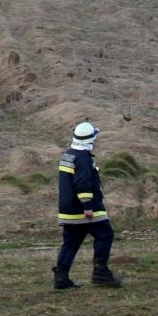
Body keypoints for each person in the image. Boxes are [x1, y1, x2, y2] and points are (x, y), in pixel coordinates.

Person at [53, 121, 122, 289]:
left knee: (71, 242)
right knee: (105, 235)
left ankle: (61, 278)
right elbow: (83, 183)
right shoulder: (83, 158)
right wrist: (88, 206)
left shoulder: (68, 154)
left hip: (68, 211)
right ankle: (101, 273)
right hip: (85, 210)